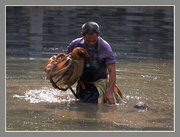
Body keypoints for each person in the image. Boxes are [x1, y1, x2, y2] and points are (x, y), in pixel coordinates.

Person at [66, 21, 116, 104]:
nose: (91, 43)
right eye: (88, 41)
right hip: (82, 84)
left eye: (94, 41)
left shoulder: (105, 47)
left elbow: (112, 71)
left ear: (98, 34)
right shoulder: (75, 44)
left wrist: (109, 93)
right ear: (83, 35)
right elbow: (66, 62)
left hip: (98, 86)